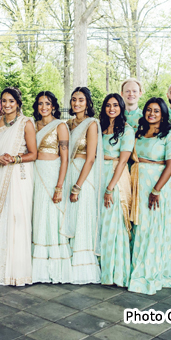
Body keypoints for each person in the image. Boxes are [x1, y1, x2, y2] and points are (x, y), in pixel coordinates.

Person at [128, 97, 171, 294]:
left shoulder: (168, 136)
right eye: (148, 110)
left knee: (156, 225)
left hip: (159, 186)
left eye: (156, 111)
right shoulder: (138, 134)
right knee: (142, 225)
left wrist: (156, 189)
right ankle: (140, 266)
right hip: (139, 183)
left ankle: (161, 271)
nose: (151, 113)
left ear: (163, 114)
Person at [0, 87, 37, 287]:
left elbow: (33, 153)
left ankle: (17, 271)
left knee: (16, 218)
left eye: (11, 101)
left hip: (19, 175)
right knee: (2, 217)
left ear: (18, 103)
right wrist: (0, 159)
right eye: (4, 101)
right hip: (0, 171)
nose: (7, 105)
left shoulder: (26, 123)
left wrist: (14, 158)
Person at [31, 91, 72, 284]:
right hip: (36, 173)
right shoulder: (33, 125)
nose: (44, 107)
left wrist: (59, 186)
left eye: (47, 103)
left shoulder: (60, 126)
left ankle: (54, 267)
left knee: (52, 216)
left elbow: (65, 159)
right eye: (40, 104)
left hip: (53, 172)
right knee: (38, 215)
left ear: (53, 106)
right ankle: (36, 267)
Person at [64, 87, 102, 284]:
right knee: (68, 216)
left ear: (87, 102)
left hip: (84, 176)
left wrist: (78, 186)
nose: (76, 103)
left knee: (81, 217)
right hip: (68, 172)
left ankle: (82, 267)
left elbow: (91, 158)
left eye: (80, 100)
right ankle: (67, 263)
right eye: (73, 100)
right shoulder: (68, 124)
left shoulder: (92, 125)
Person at [97, 93, 134, 288]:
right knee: (101, 222)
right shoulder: (100, 128)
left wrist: (110, 187)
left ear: (121, 107)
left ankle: (116, 272)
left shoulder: (126, 130)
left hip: (116, 177)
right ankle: (100, 269)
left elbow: (123, 161)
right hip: (99, 174)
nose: (112, 109)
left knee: (114, 222)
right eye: (108, 105)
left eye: (115, 105)